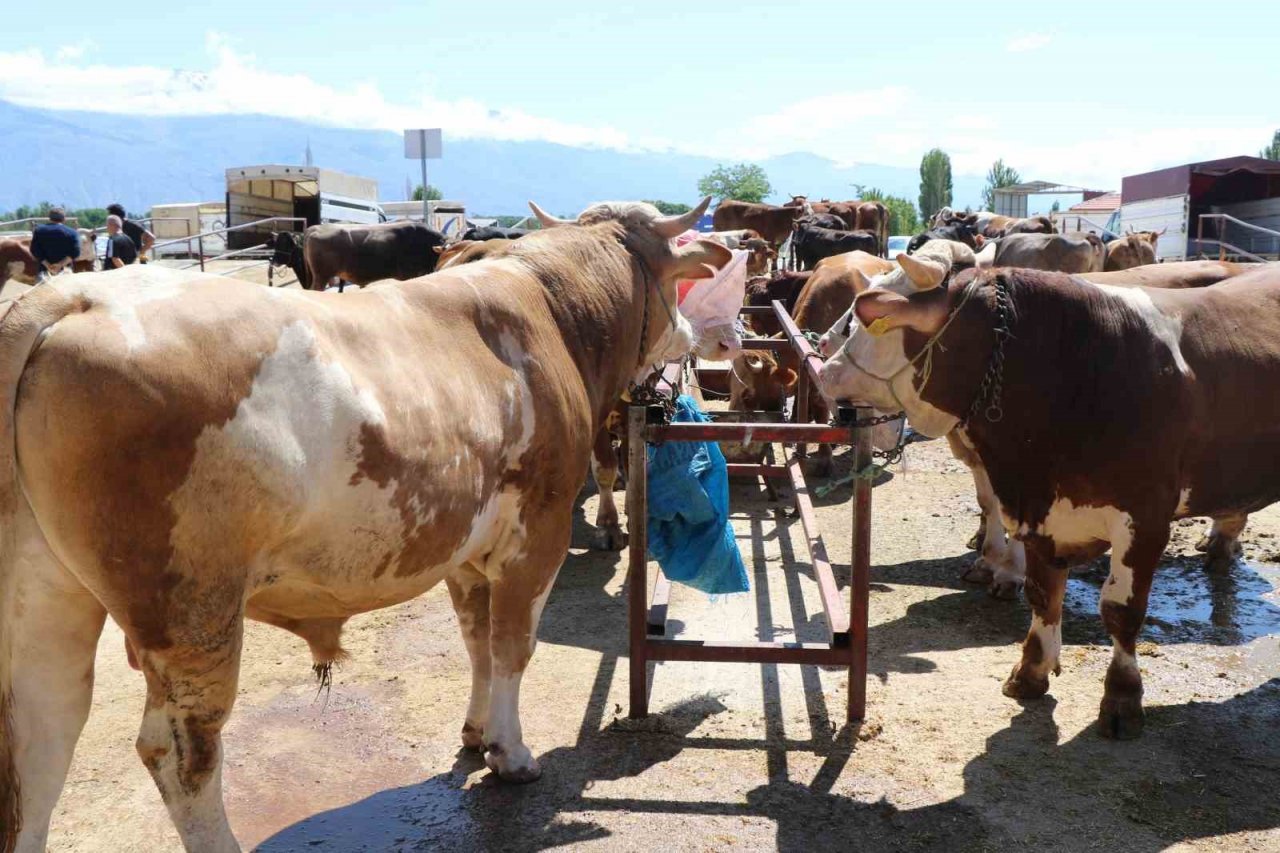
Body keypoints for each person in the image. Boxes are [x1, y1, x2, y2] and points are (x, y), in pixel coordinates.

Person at [29, 208, 81, 279]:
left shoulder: (39, 231)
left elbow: (34, 250)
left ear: (50, 218)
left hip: (45, 273)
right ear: (64, 219)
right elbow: (76, 253)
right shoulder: (73, 233)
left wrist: (47, 265)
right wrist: (60, 265)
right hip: (65, 273)